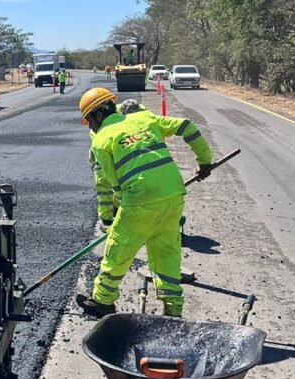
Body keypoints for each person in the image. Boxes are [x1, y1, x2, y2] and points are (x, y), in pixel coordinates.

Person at [75, 87, 212, 318]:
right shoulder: (144, 118)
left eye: (89, 122)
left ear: (97, 115)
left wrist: (114, 216)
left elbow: (115, 185)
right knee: (166, 252)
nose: (90, 127)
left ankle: (102, 300)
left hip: (139, 200)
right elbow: (186, 125)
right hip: (173, 196)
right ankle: (173, 309)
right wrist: (204, 161)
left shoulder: (100, 141)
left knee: (117, 249)